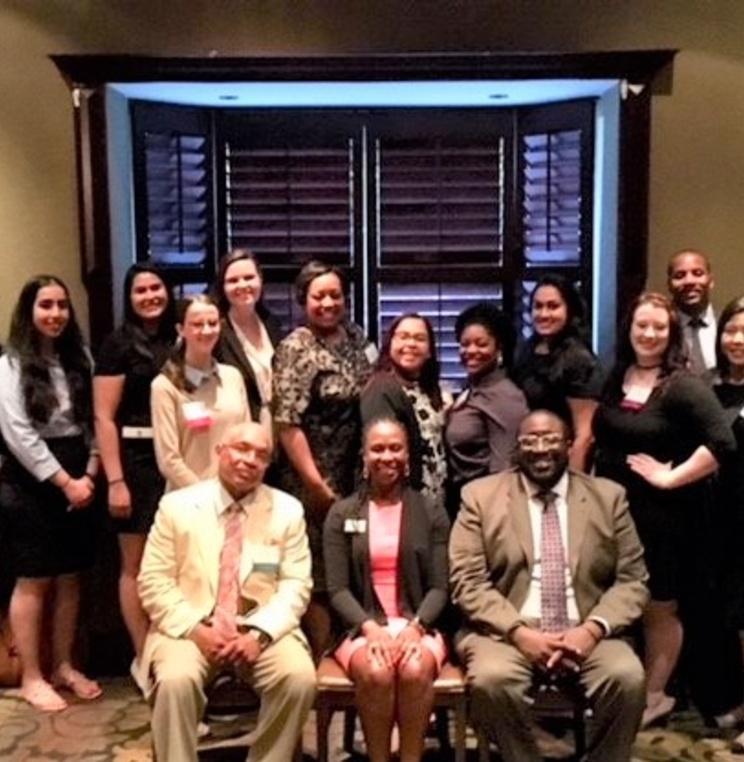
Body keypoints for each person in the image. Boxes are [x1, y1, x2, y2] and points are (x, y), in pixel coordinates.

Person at [449, 409, 648, 762]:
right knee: (492, 680)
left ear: (570, 445)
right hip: (507, 631)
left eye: (551, 439)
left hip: (587, 629)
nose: (541, 448)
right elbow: (468, 582)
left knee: (627, 677)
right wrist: (519, 633)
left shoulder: (608, 497)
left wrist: (591, 629)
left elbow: (632, 580)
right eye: (530, 440)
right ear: (517, 449)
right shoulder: (480, 497)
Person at [593, 292, 735, 727]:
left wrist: (669, 477)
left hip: (664, 519)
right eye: (642, 326)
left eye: (659, 327)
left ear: (672, 334)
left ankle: (656, 695)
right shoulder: (617, 376)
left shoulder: (682, 385)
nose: (649, 334)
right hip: (613, 514)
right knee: (619, 603)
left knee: (658, 607)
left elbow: (723, 443)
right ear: (629, 329)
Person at [137, 421, 316, 762]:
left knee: (298, 678)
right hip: (189, 630)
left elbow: (296, 585)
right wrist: (196, 630)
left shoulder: (287, 510)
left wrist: (259, 635)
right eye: (241, 449)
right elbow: (153, 581)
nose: (249, 460)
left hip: (258, 629)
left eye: (261, 455)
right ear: (220, 452)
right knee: (176, 681)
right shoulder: (176, 507)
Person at [0, 275, 102, 712]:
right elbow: (17, 432)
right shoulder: (10, 363)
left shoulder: (80, 357)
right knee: (34, 579)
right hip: (32, 481)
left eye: (62, 305)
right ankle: (32, 676)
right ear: (29, 311)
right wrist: (65, 481)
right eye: (46, 305)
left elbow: (95, 420)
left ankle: (63, 665)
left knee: (70, 576)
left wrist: (91, 473)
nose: (56, 314)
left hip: (82, 474)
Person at [324, 418, 450, 762]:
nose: (387, 456)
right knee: (376, 672)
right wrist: (370, 628)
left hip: (418, 623)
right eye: (377, 448)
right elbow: (337, 589)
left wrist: (416, 627)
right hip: (359, 626)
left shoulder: (430, 510)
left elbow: (441, 586)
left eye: (395, 447)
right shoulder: (342, 512)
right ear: (364, 456)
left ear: (408, 455)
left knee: (413, 668)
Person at [272, 259, 376, 658]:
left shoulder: (356, 338)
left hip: (356, 473)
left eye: (335, 295)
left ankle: (348, 651)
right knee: (315, 569)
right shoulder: (294, 347)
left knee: (350, 561)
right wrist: (315, 484)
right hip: (311, 475)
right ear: (303, 301)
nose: (328, 303)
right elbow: (287, 422)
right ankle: (319, 656)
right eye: (319, 296)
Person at [93, 263, 175, 662]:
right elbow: (104, 417)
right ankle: (144, 657)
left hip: (175, 460)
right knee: (136, 565)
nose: (150, 296)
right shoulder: (117, 345)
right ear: (129, 298)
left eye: (156, 287)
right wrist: (115, 481)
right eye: (140, 290)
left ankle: (174, 654)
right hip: (135, 464)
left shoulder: (180, 337)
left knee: (175, 562)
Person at [151, 294, 250, 492]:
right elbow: (169, 460)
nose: (206, 330)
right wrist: (206, 497)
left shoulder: (233, 376)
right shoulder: (165, 385)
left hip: (235, 494)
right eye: (197, 324)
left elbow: (247, 439)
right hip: (188, 499)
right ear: (181, 330)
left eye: (212, 323)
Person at [512, 274, 603, 471]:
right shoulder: (527, 350)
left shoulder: (577, 358)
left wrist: (572, 486)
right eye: (538, 306)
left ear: (569, 310)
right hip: (531, 457)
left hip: (561, 462)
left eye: (553, 306)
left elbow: (585, 435)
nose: (543, 314)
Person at [445, 302, 529, 515]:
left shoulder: (505, 396)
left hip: (487, 507)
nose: (471, 351)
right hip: (461, 498)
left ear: (499, 349)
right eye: (464, 344)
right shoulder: (472, 387)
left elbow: (507, 467)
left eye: (481, 344)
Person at [361, 313, 448, 507]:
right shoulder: (381, 389)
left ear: (429, 351)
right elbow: (384, 460)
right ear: (390, 344)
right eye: (403, 336)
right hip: (400, 502)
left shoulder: (428, 389)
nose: (411, 344)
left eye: (419, 339)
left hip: (434, 500)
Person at [212, 249, 283, 438]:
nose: (242, 285)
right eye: (233, 280)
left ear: (260, 280)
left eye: (249, 277)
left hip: (279, 430)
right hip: (237, 433)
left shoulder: (272, 323)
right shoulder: (216, 331)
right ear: (222, 287)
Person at [667, 249, 716, 374]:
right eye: (679, 276)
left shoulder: (728, 328)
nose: (689, 281)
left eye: (698, 273)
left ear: (711, 281)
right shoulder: (662, 330)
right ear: (669, 285)